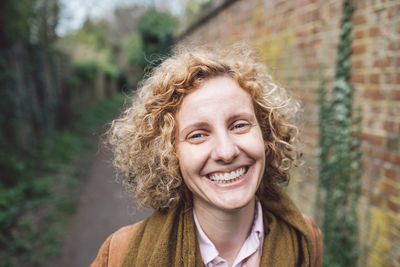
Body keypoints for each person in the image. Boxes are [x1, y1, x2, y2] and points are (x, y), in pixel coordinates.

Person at [91, 43, 323, 267]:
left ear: (266, 135)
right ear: (169, 154)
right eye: (198, 135)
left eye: (239, 125)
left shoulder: (306, 240)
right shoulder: (119, 255)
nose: (226, 151)